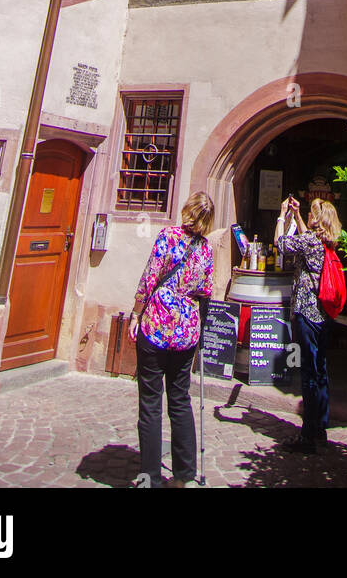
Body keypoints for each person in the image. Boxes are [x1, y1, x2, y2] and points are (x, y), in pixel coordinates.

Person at [128, 191, 214, 488]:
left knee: (151, 403)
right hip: (186, 333)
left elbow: (150, 277)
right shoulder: (205, 249)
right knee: (180, 401)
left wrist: (136, 313)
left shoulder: (168, 236)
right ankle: (184, 477)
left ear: (187, 210)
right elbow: (206, 291)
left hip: (156, 327)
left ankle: (150, 477)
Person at [275, 194, 342, 454]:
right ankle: (320, 428)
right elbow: (306, 238)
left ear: (319, 220)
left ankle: (308, 435)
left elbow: (281, 244)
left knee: (308, 373)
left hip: (306, 312)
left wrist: (283, 216)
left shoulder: (310, 243)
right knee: (320, 369)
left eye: (313, 215)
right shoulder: (327, 243)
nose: (310, 219)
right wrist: (300, 215)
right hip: (323, 315)